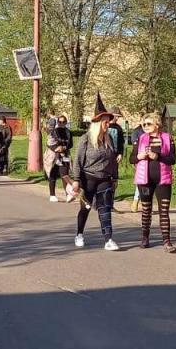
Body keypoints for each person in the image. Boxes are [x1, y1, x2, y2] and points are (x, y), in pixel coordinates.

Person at [71, 97, 121, 251]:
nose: (108, 124)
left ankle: (108, 239)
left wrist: (115, 177)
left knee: (105, 208)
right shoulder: (86, 139)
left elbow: (112, 160)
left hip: (105, 179)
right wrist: (76, 180)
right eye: (106, 122)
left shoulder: (109, 139)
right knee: (85, 208)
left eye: (109, 121)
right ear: (98, 123)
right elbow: (78, 160)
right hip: (88, 179)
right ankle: (79, 234)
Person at [132, 113, 176, 253]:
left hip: (163, 180)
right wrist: (139, 156)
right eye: (143, 124)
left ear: (157, 124)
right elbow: (131, 158)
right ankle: (145, 238)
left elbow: (172, 159)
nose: (145, 126)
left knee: (164, 211)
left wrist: (157, 156)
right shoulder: (140, 139)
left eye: (148, 124)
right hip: (144, 180)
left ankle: (167, 241)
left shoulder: (168, 138)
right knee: (146, 210)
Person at [44, 116, 76, 203]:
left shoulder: (68, 132)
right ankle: (52, 195)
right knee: (53, 174)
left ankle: (68, 195)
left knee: (65, 175)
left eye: (64, 122)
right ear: (58, 122)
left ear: (66, 122)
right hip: (53, 156)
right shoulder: (53, 131)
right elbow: (49, 143)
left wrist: (64, 148)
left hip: (64, 155)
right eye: (60, 122)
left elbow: (70, 144)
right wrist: (57, 148)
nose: (62, 123)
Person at [129, 122, 144, 212]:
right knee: (141, 182)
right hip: (140, 160)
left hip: (151, 161)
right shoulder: (137, 132)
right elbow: (135, 146)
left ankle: (144, 202)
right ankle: (136, 200)